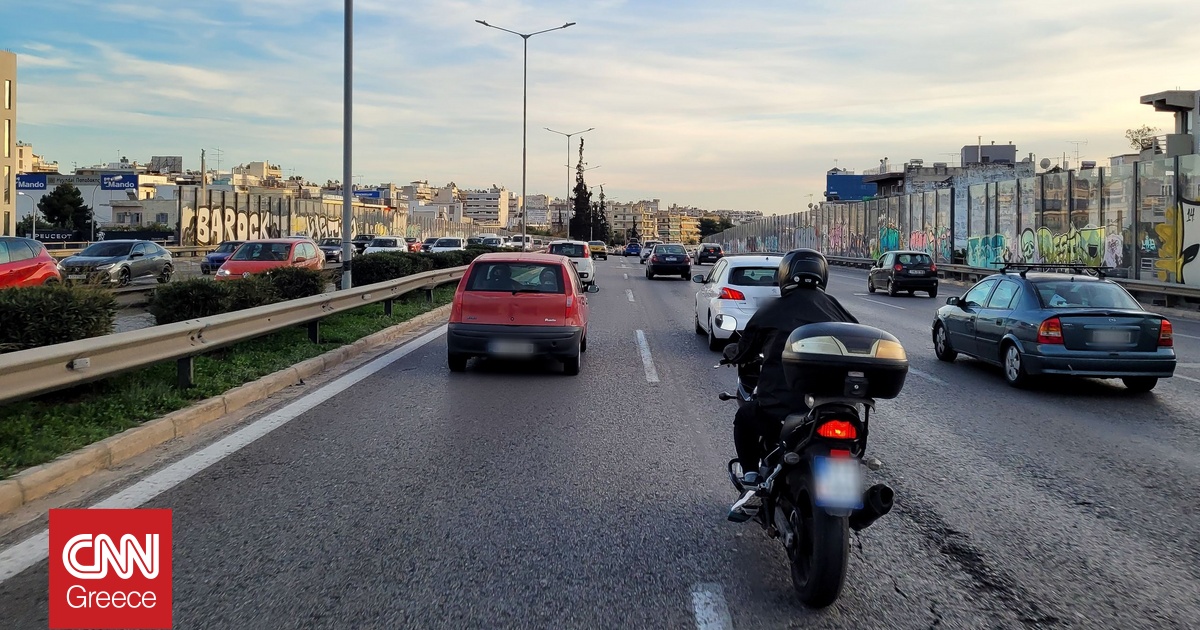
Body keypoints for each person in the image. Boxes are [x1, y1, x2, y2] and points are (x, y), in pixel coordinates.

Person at [724, 248, 859, 522]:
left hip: (780, 411)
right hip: (831, 409)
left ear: (785, 275)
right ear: (822, 275)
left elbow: (745, 349)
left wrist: (732, 353)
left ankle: (751, 480)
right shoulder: (836, 308)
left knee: (744, 418)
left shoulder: (773, 309)